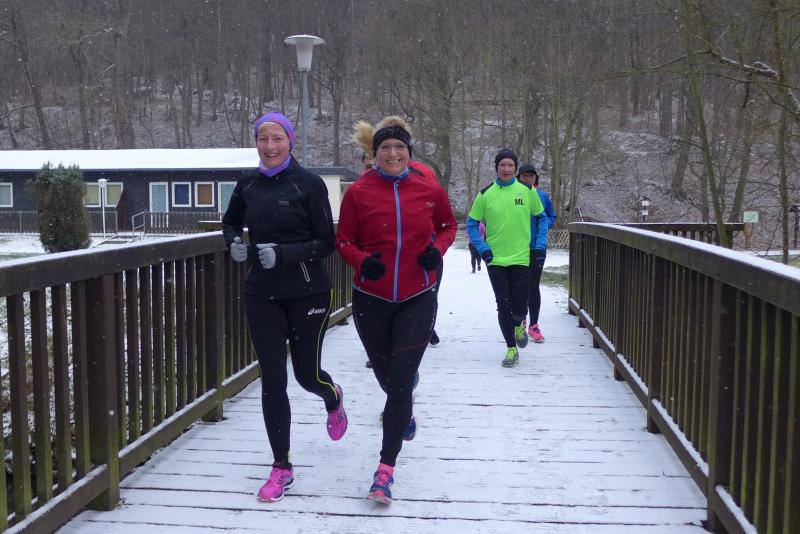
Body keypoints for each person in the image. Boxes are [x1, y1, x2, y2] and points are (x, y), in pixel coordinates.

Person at [222, 111, 347, 503]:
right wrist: (233, 243)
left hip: (308, 293)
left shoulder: (308, 184)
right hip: (261, 293)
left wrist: (285, 253)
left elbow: (326, 242)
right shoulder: (247, 184)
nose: (270, 146)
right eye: (263, 139)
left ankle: (333, 397)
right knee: (273, 380)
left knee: (307, 376)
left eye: (277, 138)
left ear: (291, 141)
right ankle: (282, 466)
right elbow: (230, 223)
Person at [336, 116, 457, 503]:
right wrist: (360, 260)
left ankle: (384, 472)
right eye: (385, 147)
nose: (392, 153)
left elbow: (448, 226)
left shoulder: (428, 188)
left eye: (399, 147)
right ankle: (402, 408)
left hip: (417, 295)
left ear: (409, 152)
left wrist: (436, 251)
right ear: (374, 154)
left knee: (401, 384)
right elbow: (343, 240)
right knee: (387, 377)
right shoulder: (359, 192)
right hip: (371, 297)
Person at [466, 148, 547, 368]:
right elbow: (472, 224)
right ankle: (511, 349)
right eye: (502, 165)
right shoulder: (485, 194)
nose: (506, 168)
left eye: (510, 165)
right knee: (503, 304)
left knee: (520, 305)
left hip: (521, 258)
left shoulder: (527, 191)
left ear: (515, 168)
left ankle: (520, 324)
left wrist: (539, 245)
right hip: (495, 259)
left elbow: (542, 218)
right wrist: (483, 249)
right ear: (497, 167)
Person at [518, 164, 557, 343]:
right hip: (518, 247)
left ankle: (533, 325)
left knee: (533, 286)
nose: (528, 179)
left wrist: (544, 225)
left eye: (531, 176)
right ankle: (520, 321)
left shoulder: (542, 196)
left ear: (535, 178)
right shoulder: (514, 196)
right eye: (524, 176)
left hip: (537, 248)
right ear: (519, 178)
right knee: (519, 286)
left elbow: (551, 215)